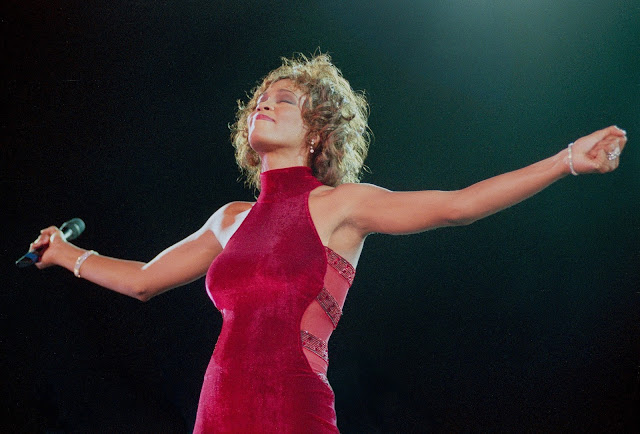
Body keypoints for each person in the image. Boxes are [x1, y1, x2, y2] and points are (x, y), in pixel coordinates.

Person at [29, 54, 627, 433]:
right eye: (260, 99)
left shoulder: (342, 205)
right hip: (219, 409)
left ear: (318, 134)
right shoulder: (229, 219)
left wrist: (565, 161)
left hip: (294, 409)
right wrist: (64, 253)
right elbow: (142, 281)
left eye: (284, 100)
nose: (265, 103)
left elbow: (458, 205)